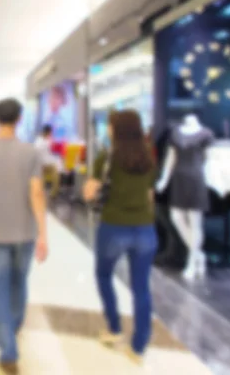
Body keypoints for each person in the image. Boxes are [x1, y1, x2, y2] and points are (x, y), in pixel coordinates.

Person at [0, 98, 48, 374]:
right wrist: (43, 233)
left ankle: (7, 351)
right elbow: (36, 193)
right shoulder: (30, 153)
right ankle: (13, 329)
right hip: (25, 233)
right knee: (19, 282)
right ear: (19, 118)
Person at [82, 110, 157, 365]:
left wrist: (92, 189)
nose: (108, 129)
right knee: (141, 288)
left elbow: (90, 193)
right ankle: (139, 346)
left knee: (104, 276)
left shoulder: (107, 157)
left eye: (110, 125)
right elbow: (149, 196)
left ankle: (114, 329)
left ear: (116, 129)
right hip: (145, 229)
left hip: (114, 226)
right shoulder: (148, 157)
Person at [35, 124, 61, 198]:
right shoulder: (41, 141)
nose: (51, 134)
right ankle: (45, 194)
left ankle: (53, 193)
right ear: (48, 132)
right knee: (55, 171)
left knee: (56, 172)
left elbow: (50, 152)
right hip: (41, 164)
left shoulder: (45, 140)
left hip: (46, 163)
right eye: (50, 132)